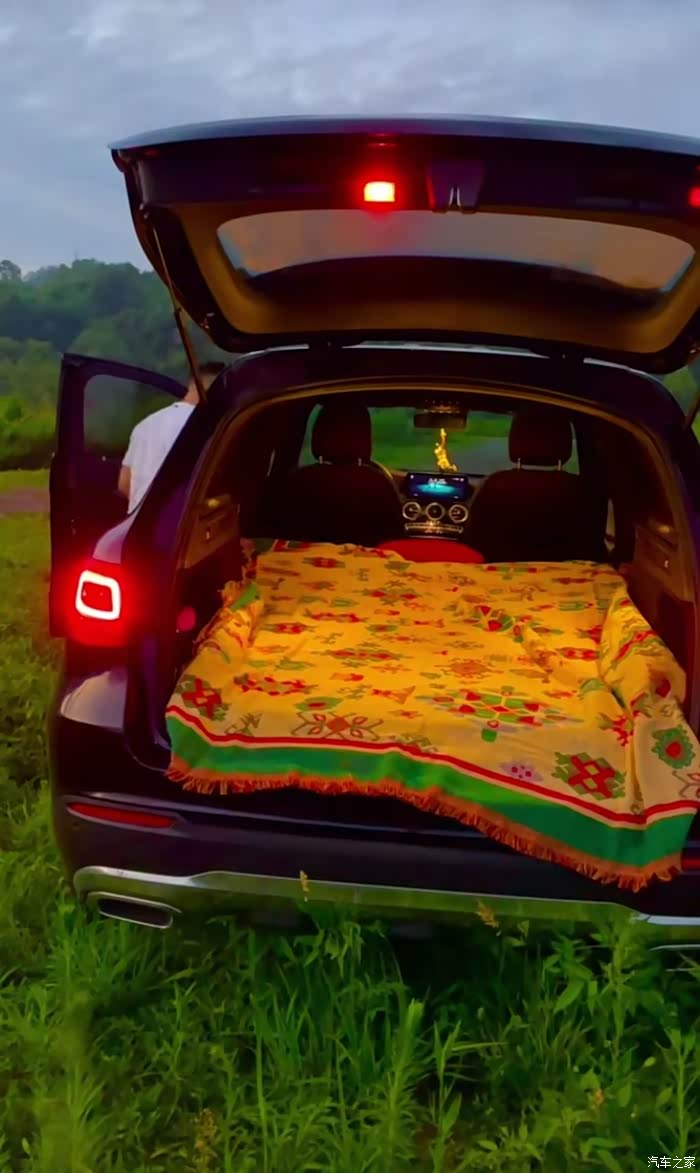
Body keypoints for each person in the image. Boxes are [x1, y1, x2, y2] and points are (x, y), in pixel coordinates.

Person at [118, 361, 225, 514]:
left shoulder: (146, 424)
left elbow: (124, 484)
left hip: (137, 523)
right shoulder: (206, 428)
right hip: (179, 524)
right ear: (217, 392)